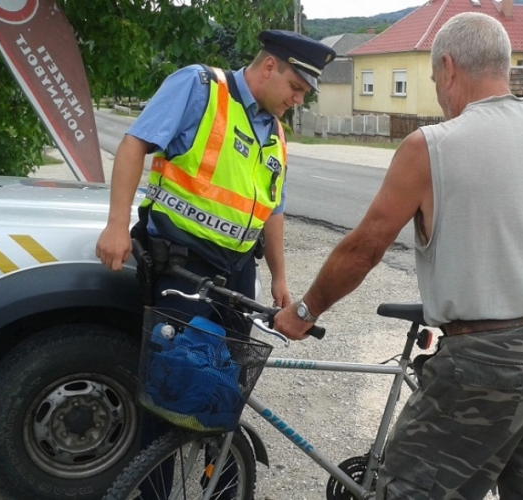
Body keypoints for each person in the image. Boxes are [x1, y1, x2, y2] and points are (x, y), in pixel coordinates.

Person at [275, 12, 523, 500]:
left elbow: (365, 247)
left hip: (488, 358)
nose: (439, 91)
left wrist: (305, 310)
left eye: (436, 78)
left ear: (450, 67)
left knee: (412, 489)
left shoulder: (431, 147)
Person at [95, 29, 335, 498]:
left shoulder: (276, 133)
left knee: (224, 387)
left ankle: (219, 486)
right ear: (270, 66)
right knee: (174, 384)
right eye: (295, 88)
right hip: (182, 262)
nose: (297, 100)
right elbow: (133, 144)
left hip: (238, 272)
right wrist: (117, 225)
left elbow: (274, 210)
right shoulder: (201, 88)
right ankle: (153, 490)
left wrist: (281, 276)